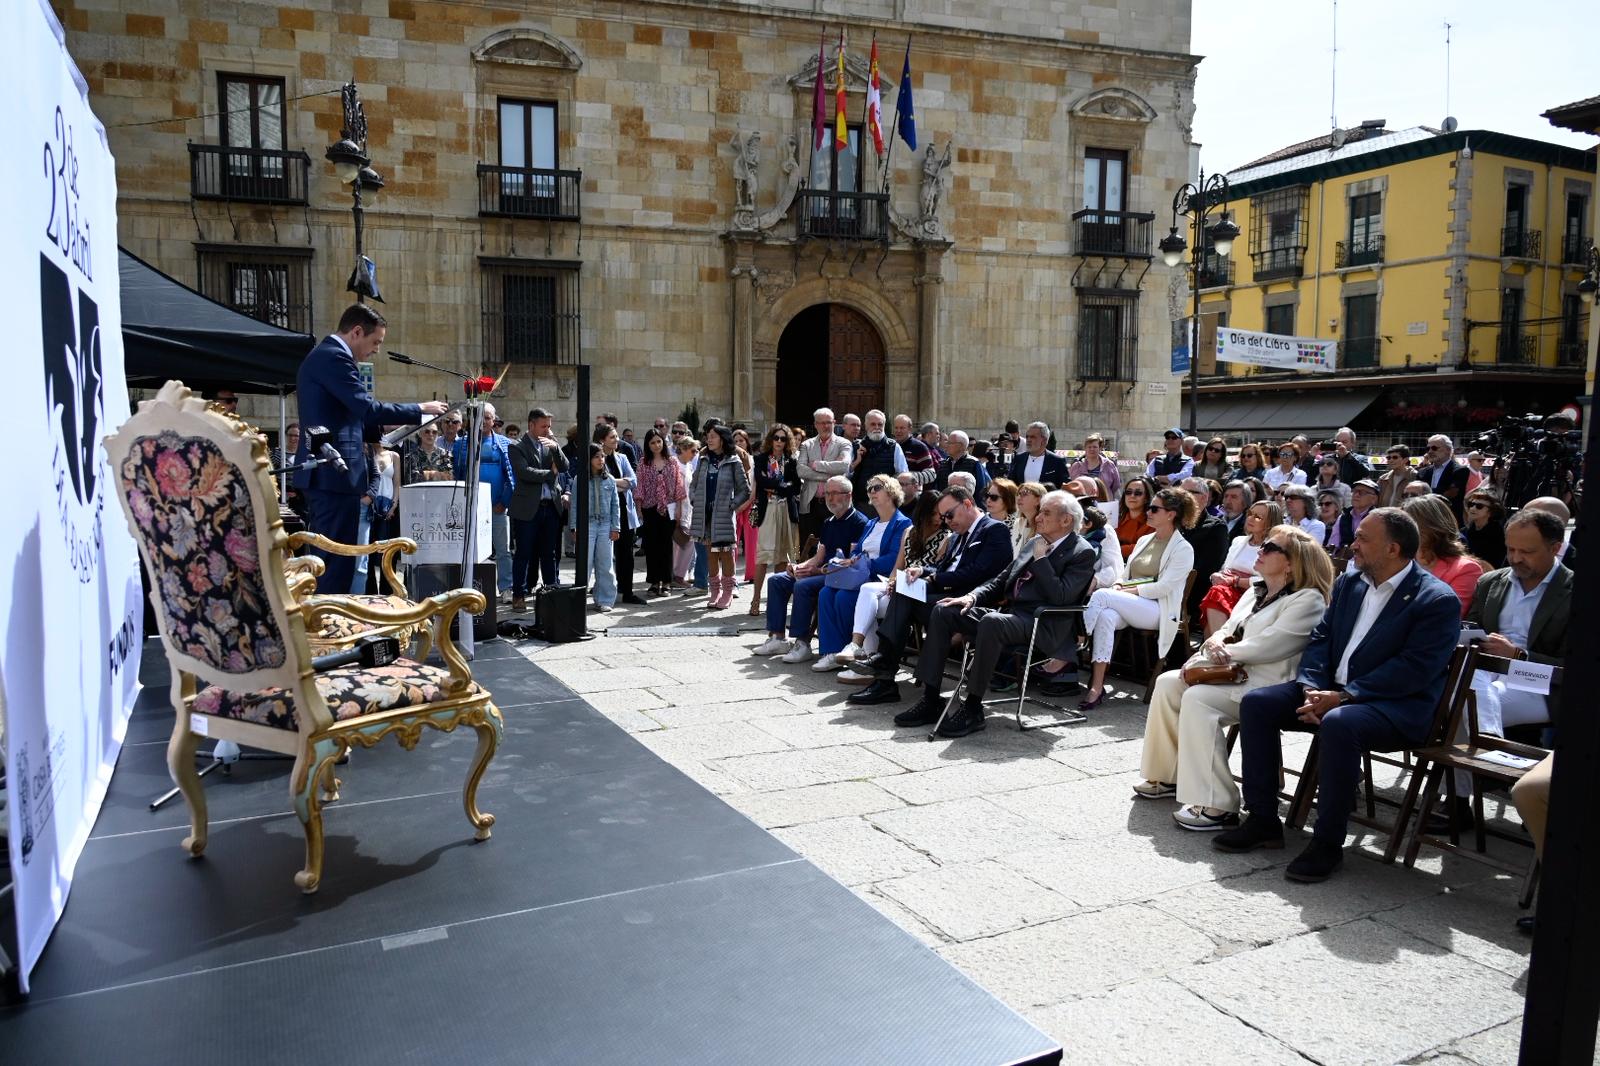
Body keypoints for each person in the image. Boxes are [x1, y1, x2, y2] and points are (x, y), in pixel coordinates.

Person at [1214, 508, 1462, 883]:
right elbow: (1322, 639)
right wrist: (1313, 686)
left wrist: (1345, 697)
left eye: (1363, 538)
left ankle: (1328, 843)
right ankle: (1263, 820)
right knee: (1259, 703)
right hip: (1329, 693)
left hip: (1391, 706)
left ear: (1393, 548)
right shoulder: (1352, 582)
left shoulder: (1435, 600)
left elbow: (1415, 669)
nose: (1352, 544)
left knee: (1340, 724)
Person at [1139, 526, 1335, 830]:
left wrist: (1224, 652)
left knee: (1198, 700)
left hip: (1266, 683)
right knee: (1167, 683)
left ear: (1292, 562)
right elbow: (1228, 628)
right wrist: (1215, 642)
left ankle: (1218, 803)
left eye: (1270, 548)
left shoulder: (1307, 599)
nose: (1260, 550)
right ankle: (1169, 777)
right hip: (1230, 672)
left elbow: (1274, 644)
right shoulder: (1257, 588)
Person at [895, 491, 1098, 736]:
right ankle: (930, 698)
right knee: (944, 610)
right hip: (1012, 614)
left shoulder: (1081, 552)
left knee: (992, 621)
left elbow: (1062, 597)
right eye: (1041, 511)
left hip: (1043, 622)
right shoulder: (1037, 542)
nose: (1038, 518)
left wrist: (1042, 560)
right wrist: (971, 597)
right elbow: (1002, 579)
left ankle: (972, 707)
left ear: (1066, 520)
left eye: (1046, 513)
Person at [293, 304, 447, 591]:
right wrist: (419, 409)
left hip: (337, 476)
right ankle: (329, 628)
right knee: (335, 562)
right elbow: (366, 408)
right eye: (375, 342)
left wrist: (395, 427)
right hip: (332, 475)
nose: (376, 350)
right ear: (356, 332)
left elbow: (353, 418)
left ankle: (332, 624)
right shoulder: (334, 358)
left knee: (340, 560)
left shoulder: (331, 356)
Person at [848, 486, 1015, 705]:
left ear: (966, 504)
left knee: (913, 597)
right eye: (944, 517)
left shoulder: (994, 530)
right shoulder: (958, 535)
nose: (947, 521)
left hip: (972, 601)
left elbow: (980, 572)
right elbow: (946, 569)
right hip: (946, 595)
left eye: (950, 515)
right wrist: (924, 571)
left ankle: (886, 672)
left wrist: (935, 579)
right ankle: (885, 676)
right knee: (903, 587)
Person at [1075, 487, 1198, 711]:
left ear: (1171, 514)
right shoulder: (1145, 540)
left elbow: (1165, 587)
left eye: (1154, 508)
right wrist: (1121, 584)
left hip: (1159, 609)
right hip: (1130, 602)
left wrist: (1125, 592)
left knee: (1102, 595)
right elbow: (1125, 573)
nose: (1148, 512)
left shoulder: (1183, 548)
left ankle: (1076, 641)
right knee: (1106, 616)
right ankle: (1096, 685)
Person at [836, 489, 949, 682]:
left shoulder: (945, 537)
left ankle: (861, 654)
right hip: (899, 585)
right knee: (868, 595)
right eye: (935, 513)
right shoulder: (909, 532)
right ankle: (863, 657)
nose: (939, 518)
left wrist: (897, 584)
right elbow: (898, 567)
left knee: (868, 601)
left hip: (919, 590)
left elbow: (936, 572)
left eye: (942, 514)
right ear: (924, 512)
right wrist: (892, 582)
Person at [754, 477, 867, 661]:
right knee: (777, 580)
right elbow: (818, 557)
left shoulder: (858, 522)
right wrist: (799, 567)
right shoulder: (829, 521)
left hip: (838, 576)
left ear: (848, 495)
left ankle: (802, 642)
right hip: (822, 571)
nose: (829, 498)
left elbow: (850, 563)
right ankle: (778, 638)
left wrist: (816, 571)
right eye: (827, 493)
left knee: (802, 586)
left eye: (834, 493)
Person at [814, 475, 913, 672]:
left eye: (877, 488)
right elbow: (858, 551)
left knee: (844, 597)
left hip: (878, 577)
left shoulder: (902, 523)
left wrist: (863, 562)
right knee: (826, 592)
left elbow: (894, 558)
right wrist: (851, 560)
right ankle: (832, 651)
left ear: (891, 491)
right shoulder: (871, 523)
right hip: (860, 575)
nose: (871, 492)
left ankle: (848, 648)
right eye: (869, 489)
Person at [505, 407, 569, 609]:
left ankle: (551, 591)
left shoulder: (550, 443)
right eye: (544, 426)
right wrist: (550, 474)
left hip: (550, 507)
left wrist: (556, 447)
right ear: (531, 425)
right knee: (523, 552)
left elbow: (565, 466)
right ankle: (519, 594)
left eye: (549, 426)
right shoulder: (517, 446)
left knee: (549, 553)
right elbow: (524, 472)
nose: (547, 430)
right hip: (527, 508)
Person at [454, 402, 516, 600]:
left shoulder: (505, 444)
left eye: (488, 417)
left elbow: (511, 478)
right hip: (472, 508)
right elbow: (457, 474)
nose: (484, 422)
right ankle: (477, 587)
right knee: (474, 550)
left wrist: (504, 502)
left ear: (494, 419)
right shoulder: (461, 444)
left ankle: (506, 587)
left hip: (497, 507)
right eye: (480, 417)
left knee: (503, 550)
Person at [1197, 500, 1283, 636]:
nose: (1251, 518)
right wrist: (1217, 575)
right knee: (1216, 593)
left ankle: (1217, 646)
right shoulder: (1238, 541)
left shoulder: (1273, 548)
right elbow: (1225, 568)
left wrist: (1235, 580)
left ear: (1271, 522)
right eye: (1250, 514)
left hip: (1253, 596)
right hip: (1226, 590)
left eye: (1258, 517)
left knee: (1216, 594)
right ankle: (1216, 647)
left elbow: (1267, 581)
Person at [690, 424, 752, 610]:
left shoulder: (733, 461)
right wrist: (695, 499)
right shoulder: (703, 460)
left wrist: (731, 506)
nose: (709, 439)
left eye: (713, 436)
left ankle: (727, 592)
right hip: (705, 516)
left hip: (723, 517)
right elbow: (693, 485)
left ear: (723, 440)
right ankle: (714, 591)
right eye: (708, 436)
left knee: (725, 554)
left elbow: (745, 490)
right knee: (709, 554)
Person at [1402, 494, 1484, 617]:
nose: (1400, 531)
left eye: (1407, 525)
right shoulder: (1400, 561)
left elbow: (1444, 617)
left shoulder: (1465, 569)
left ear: (1431, 528)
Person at [749, 424, 801, 615]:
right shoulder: (761, 459)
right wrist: (782, 485)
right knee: (763, 556)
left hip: (786, 510)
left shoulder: (791, 461)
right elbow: (761, 482)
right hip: (768, 510)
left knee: (782, 556)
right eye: (776, 438)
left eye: (783, 438)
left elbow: (795, 487)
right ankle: (755, 600)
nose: (779, 442)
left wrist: (776, 486)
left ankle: (776, 602)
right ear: (770, 439)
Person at [592, 423, 645, 605]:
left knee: (626, 554)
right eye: (612, 437)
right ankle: (604, 593)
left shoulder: (622, 458)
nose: (617, 440)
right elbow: (599, 482)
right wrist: (619, 485)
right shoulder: (597, 459)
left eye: (616, 436)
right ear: (602, 440)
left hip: (624, 510)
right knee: (604, 556)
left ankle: (627, 591)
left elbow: (633, 481)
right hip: (605, 513)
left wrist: (613, 482)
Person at [566, 443, 621, 611]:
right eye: (596, 457)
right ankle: (580, 598)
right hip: (587, 524)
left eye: (602, 456)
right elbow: (574, 504)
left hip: (605, 524)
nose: (600, 460)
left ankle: (605, 599)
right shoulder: (580, 479)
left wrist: (615, 527)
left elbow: (615, 505)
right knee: (585, 563)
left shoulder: (609, 479)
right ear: (588, 459)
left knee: (605, 563)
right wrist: (574, 527)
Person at [633, 427, 687, 599]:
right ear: (647, 445)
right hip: (650, 508)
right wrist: (639, 506)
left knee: (666, 546)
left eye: (658, 441)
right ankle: (654, 581)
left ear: (663, 442)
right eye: (652, 442)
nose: (656, 445)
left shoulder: (672, 461)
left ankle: (667, 582)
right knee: (652, 546)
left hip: (669, 508)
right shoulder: (643, 462)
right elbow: (639, 485)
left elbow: (679, 485)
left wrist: (679, 507)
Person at [796, 407, 852, 545]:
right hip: (811, 503)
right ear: (815, 424)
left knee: (834, 543)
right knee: (808, 544)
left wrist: (815, 465)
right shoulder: (806, 445)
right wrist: (830, 475)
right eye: (822, 423)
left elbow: (844, 466)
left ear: (834, 422)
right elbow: (801, 471)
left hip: (835, 502)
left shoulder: (843, 443)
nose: (826, 426)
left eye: (829, 422)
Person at [849, 410, 908, 510]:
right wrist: (857, 461)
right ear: (866, 426)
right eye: (873, 424)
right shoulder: (855, 447)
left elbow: (903, 473)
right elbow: (846, 474)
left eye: (880, 424)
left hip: (886, 504)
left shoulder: (894, 447)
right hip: (861, 503)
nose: (877, 427)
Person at [1419, 434, 1470, 523]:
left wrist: (1425, 494)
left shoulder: (1460, 471)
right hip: (1425, 520)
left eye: (1434, 448)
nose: (1430, 451)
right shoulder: (1422, 472)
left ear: (1448, 450)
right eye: (1428, 448)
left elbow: (1450, 494)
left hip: (1448, 521)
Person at [672, 436, 700, 588]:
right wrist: (677, 509)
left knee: (686, 542)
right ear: (683, 449)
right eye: (693, 450)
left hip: (687, 508)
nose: (695, 454)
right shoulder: (674, 464)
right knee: (681, 542)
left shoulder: (688, 465)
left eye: (696, 451)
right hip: (677, 509)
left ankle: (678, 574)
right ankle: (677, 575)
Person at [1009, 421, 1070, 486]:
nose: (1028, 440)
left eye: (1033, 437)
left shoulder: (1057, 461)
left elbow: (1065, 486)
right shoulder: (1019, 458)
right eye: (1027, 437)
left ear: (1044, 440)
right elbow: (1011, 484)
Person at [1460, 490, 1507, 570]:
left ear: (1491, 511)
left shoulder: (1497, 535)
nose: (1473, 508)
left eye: (1479, 506)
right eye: (1471, 504)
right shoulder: (1467, 531)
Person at [1115, 475, 1157, 560]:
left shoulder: (1154, 521)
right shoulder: (1116, 518)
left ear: (1146, 498)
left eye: (1138, 493)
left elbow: (1145, 547)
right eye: (1128, 492)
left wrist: (1116, 550)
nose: (1132, 496)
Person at [1068, 433, 1121, 498]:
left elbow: (1116, 485)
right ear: (1085, 448)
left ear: (1100, 448)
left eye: (1095, 447)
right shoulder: (1076, 466)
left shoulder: (1109, 465)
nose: (1092, 449)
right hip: (1083, 503)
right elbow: (1072, 485)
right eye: (1089, 447)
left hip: (1104, 502)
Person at [892, 414, 938, 485]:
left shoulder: (919, 447)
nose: (898, 431)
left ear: (910, 429)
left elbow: (931, 475)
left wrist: (904, 478)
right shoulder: (890, 446)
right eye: (896, 428)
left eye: (902, 428)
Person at [983, 477, 1021, 549]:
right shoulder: (979, 521)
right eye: (987, 495)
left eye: (994, 497)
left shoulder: (1017, 526)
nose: (988, 500)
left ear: (1008, 500)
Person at [1013, 481, 1048, 556]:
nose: (1019, 498)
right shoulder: (1018, 523)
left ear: (1038, 500)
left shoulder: (1045, 526)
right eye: (1018, 494)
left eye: (1024, 494)